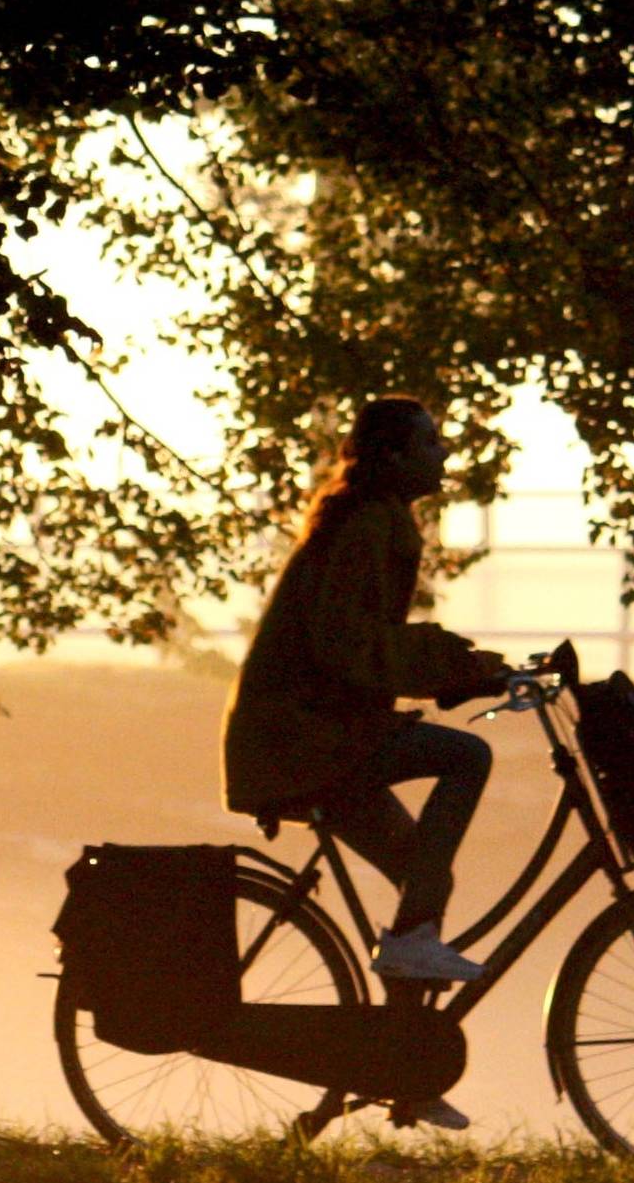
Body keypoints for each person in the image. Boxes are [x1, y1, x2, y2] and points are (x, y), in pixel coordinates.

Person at [221, 396, 505, 1131]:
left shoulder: (374, 521)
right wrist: (454, 664)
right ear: (393, 458)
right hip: (305, 738)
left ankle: (404, 1068)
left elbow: (365, 642)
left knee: (424, 876)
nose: (443, 456)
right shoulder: (369, 526)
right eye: (431, 443)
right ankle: (411, 949)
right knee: (468, 755)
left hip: (316, 735)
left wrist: (461, 664)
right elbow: (349, 646)